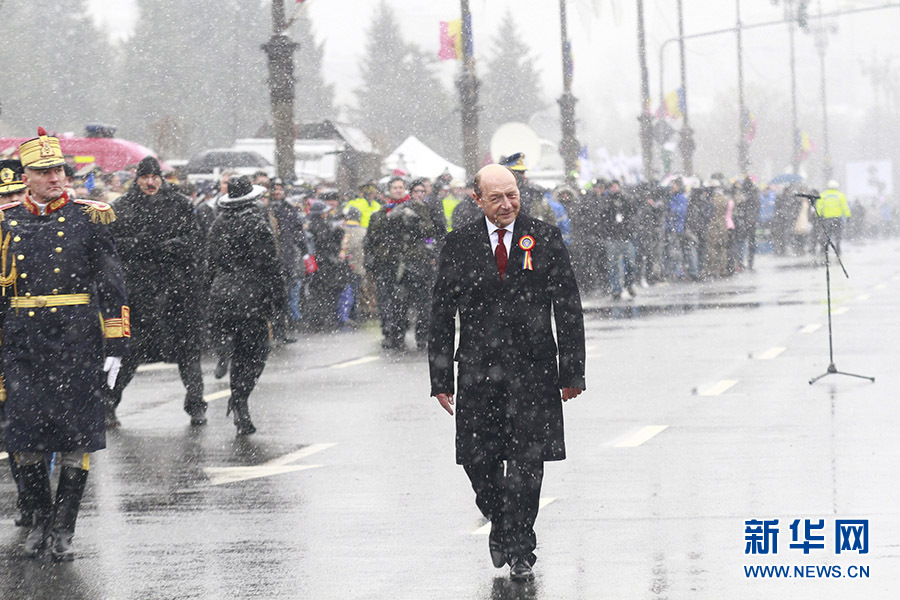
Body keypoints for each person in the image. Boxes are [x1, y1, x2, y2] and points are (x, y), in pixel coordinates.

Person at [428, 164, 586, 582]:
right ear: (476, 199)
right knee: (479, 462)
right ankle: (498, 517)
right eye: (496, 197)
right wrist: (440, 379)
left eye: (512, 195)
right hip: (479, 372)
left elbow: (568, 308)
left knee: (527, 465)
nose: (506, 204)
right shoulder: (459, 244)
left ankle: (521, 548)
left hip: (533, 372)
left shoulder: (544, 237)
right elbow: (442, 314)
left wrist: (572, 371)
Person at [1, 128, 129, 560]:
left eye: (57, 169)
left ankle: (63, 530)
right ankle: (37, 522)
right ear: (26, 177)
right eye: (43, 171)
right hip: (22, 338)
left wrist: (115, 342)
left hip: (74, 337)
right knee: (25, 437)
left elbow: (112, 283)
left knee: (75, 438)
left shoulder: (89, 216)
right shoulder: (7, 222)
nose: (54, 177)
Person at [105, 156, 206, 428]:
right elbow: (110, 246)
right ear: (136, 180)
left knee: (187, 352)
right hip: (139, 290)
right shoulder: (122, 208)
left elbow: (195, 241)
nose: (150, 183)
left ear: (162, 179)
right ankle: (108, 405)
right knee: (130, 352)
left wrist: (175, 246)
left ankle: (197, 406)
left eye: (155, 178)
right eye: (145, 178)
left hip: (176, 290)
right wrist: (139, 244)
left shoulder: (181, 205)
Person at [206, 176, 285, 435]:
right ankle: (240, 399)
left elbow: (210, 262)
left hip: (223, 295)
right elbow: (269, 264)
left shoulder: (218, 223)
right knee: (255, 353)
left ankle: (227, 362)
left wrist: (209, 294)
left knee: (240, 349)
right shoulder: (256, 223)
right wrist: (278, 296)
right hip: (250, 297)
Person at [366, 177, 442, 350]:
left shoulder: (418, 208)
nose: (398, 190)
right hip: (389, 262)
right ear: (389, 190)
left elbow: (431, 231)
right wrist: (370, 259)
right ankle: (393, 334)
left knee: (422, 302)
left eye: (401, 187)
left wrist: (414, 221)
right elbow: (373, 237)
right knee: (392, 301)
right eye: (395, 187)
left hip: (414, 262)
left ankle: (421, 337)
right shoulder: (381, 213)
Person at [816, 179, 851, 254]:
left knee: (827, 234)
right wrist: (848, 216)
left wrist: (818, 215)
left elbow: (819, 207)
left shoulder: (823, 195)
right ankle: (838, 247)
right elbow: (845, 207)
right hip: (837, 218)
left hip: (827, 218)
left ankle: (826, 248)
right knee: (838, 234)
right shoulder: (840, 195)